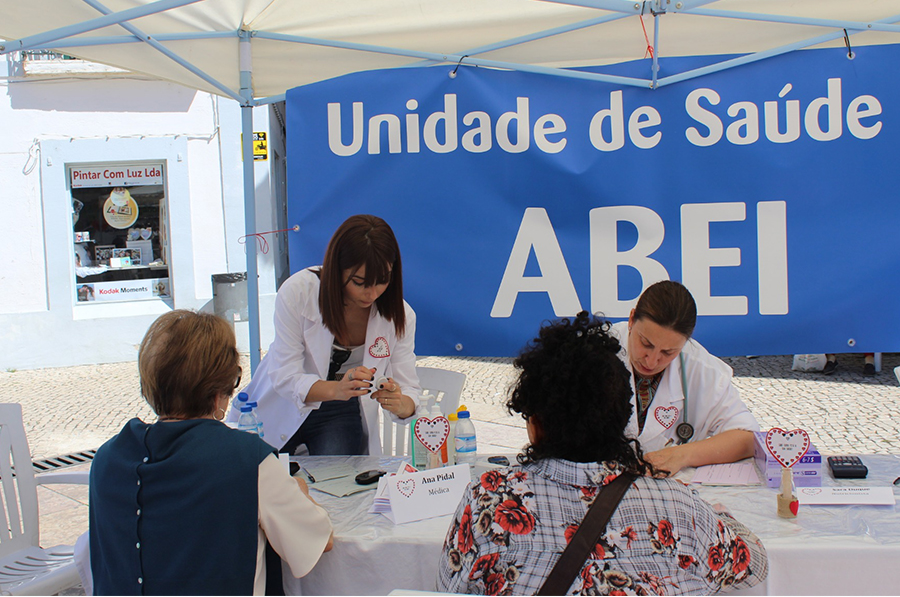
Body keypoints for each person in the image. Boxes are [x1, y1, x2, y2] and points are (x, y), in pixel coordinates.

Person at [437, 312, 767, 595]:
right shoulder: (682, 506)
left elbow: (448, 587)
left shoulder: (487, 499)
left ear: (534, 423)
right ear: (622, 417)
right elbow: (755, 565)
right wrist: (720, 517)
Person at [87, 310, 333, 595]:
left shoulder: (107, 459)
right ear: (219, 393)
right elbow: (317, 540)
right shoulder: (246, 460)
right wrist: (299, 491)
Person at [235, 214, 420, 455]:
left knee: (339, 484)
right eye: (359, 282)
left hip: (340, 410)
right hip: (281, 405)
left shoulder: (400, 316)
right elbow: (285, 375)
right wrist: (336, 389)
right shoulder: (298, 292)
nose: (371, 293)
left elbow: (409, 389)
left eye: (382, 281)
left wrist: (401, 403)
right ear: (336, 269)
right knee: (266, 481)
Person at [609, 280, 758, 476]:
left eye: (668, 352)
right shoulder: (596, 351)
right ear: (631, 319)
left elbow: (748, 437)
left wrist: (683, 454)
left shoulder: (703, 370)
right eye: (646, 343)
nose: (652, 361)